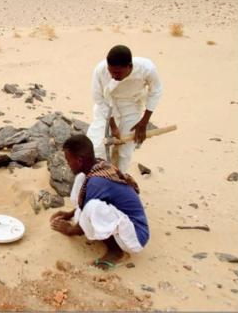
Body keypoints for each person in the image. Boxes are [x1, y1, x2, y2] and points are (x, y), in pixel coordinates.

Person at [50, 135, 149, 270]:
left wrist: (69, 230)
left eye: (69, 161)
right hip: (125, 222)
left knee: (93, 208)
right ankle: (109, 235)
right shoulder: (97, 166)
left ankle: (116, 251)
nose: (68, 165)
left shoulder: (97, 182)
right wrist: (69, 214)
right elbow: (88, 201)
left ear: (79, 161)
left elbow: (88, 211)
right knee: (81, 181)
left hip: (135, 236)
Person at [86, 45, 163, 173]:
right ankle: (96, 179)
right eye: (111, 72)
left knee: (125, 152)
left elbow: (156, 92)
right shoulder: (100, 70)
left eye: (118, 73)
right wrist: (113, 125)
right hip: (107, 106)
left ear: (129, 66)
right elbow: (99, 98)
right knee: (96, 146)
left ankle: (120, 180)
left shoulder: (147, 69)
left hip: (131, 105)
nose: (113, 76)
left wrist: (144, 122)